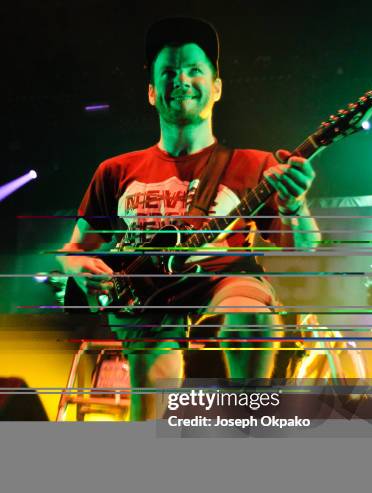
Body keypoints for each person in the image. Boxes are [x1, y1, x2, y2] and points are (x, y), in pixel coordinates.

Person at [58, 17, 320, 421]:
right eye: (169, 71)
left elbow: (305, 244)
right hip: (145, 297)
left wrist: (295, 204)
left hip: (224, 278)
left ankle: (248, 424)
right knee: (149, 415)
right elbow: (75, 247)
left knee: (246, 319)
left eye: (195, 69)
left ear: (216, 88)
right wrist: (78, 267)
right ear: (151, 92)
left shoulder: (254, 165)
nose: (181, 78)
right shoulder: (115, 170)